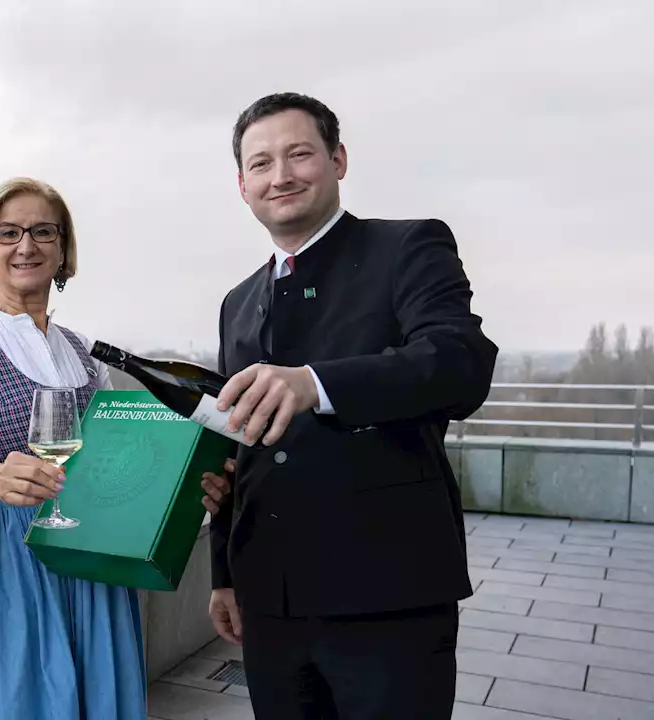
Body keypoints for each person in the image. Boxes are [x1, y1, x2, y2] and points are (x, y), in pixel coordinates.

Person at [199, 92, 498, 719]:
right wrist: (223, 571)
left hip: (387, 594)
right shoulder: (237, 300)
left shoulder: (409, 246)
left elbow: (460, 363)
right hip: (270, 603)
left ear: (337, 160)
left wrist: (317, 383)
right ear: (241, 184)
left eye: (299, 154)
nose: (280, 175)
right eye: (261, 164)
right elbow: (238, 445)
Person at [0, 177, 147, 720]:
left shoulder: (82, 349)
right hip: (6, 550)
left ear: (63, 250)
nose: (27, 246)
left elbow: (113, 448)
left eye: (44, 232)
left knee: (95, 692)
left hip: (89, 544)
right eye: (10, 233)